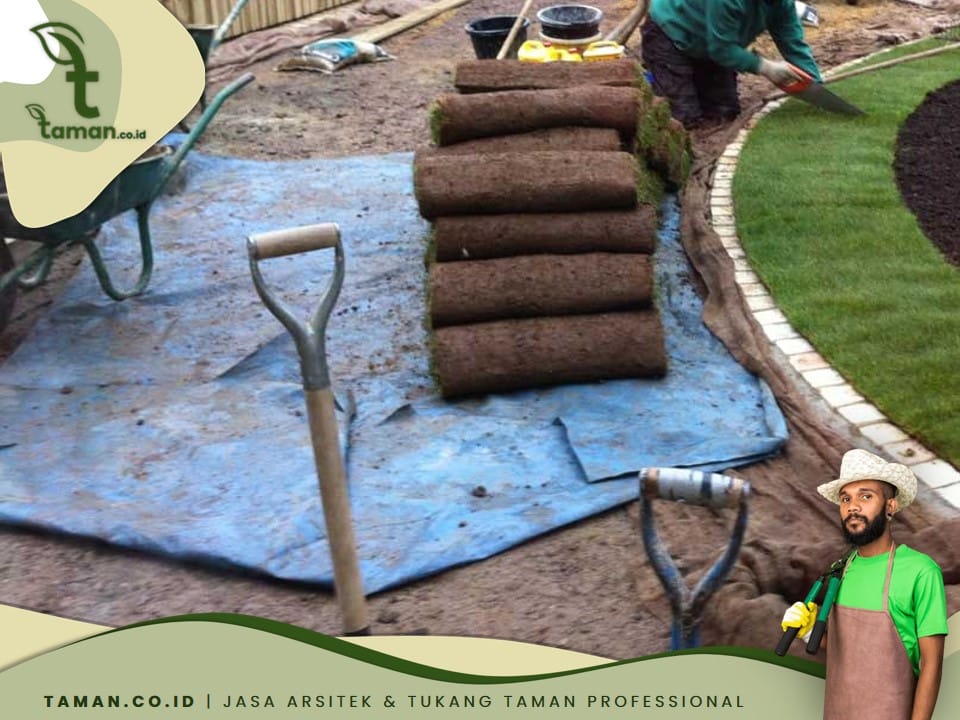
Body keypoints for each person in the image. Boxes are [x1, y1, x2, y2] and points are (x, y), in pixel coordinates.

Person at [781, 449, 948, 720]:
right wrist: (809, 632)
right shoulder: (842, 569)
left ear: (890, 507)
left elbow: (931, 664)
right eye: (846, 498)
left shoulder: (920, 571)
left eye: (866, 496)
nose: (853, 506)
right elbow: (849, 652)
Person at [641, 0, 823, 129]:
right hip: (670, 33)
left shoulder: (782, 4)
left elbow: (794, 45)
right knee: (683, 119)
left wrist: (816, 86)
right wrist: (765, 67)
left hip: (714, 41)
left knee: (724, 113)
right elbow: (721, 51)